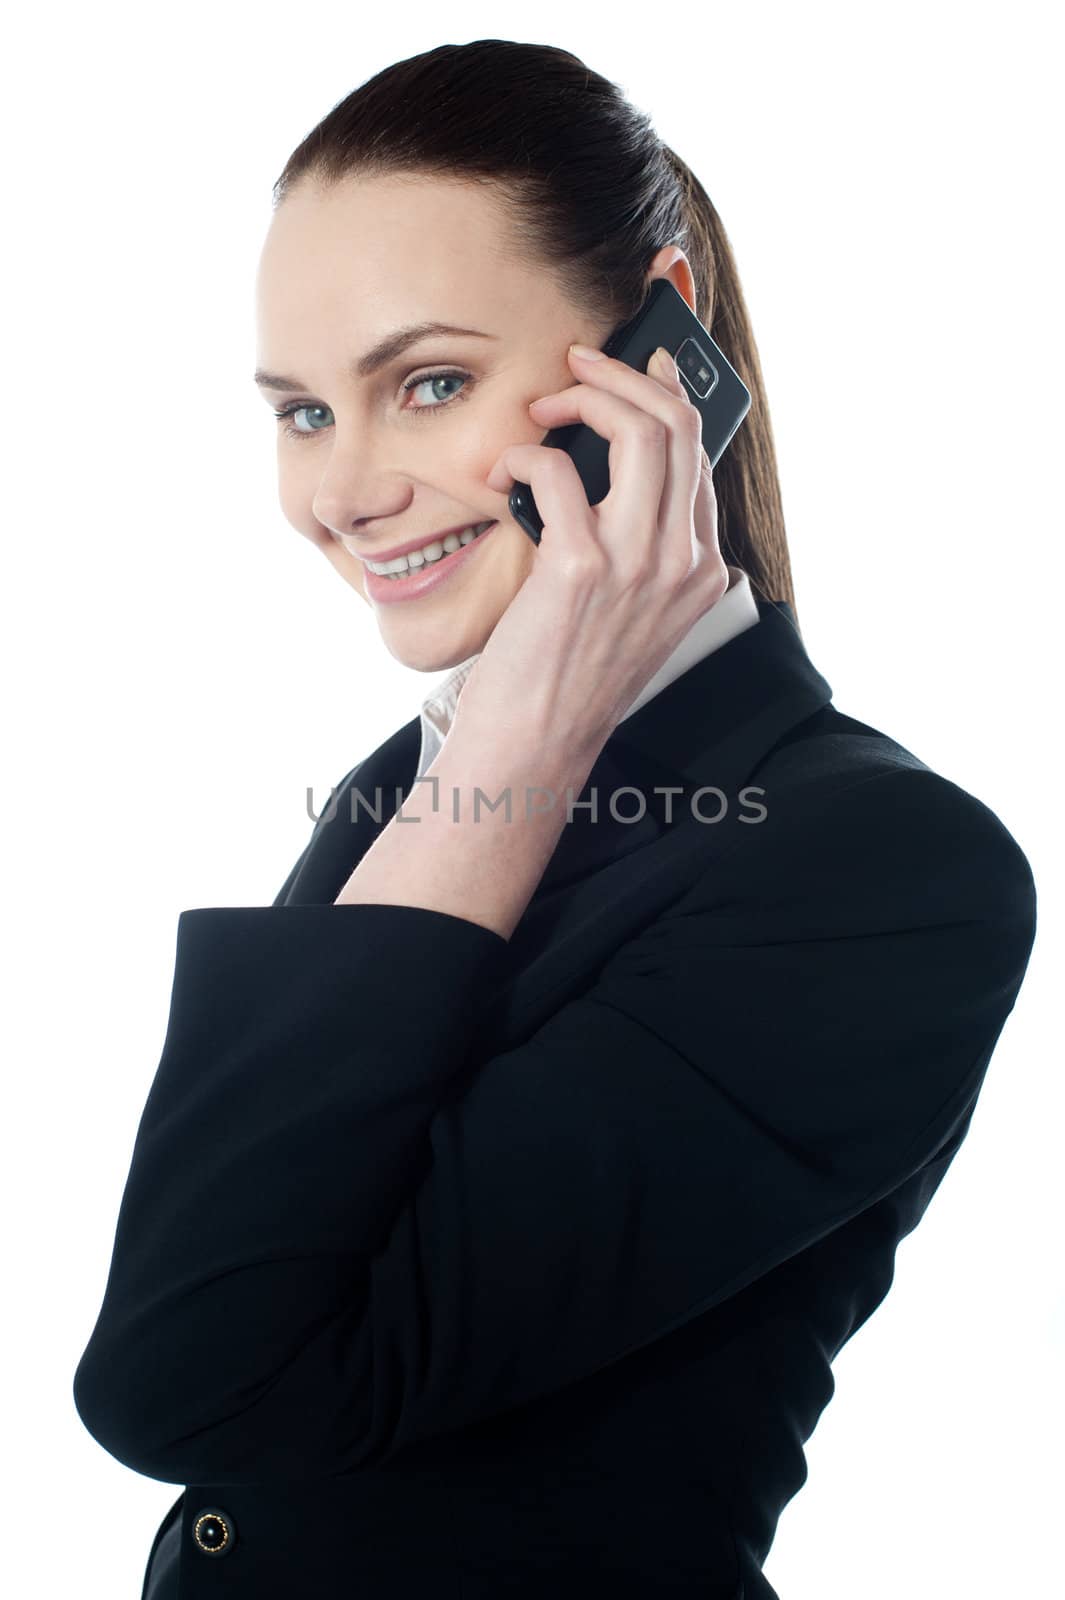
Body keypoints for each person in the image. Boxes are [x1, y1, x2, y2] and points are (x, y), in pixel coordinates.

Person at [72, 39, 1037, 1600]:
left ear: (659, 347)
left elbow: (202, 1380)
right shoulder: (424, 784)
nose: (345, 490)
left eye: (427, 383)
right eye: (302, 414)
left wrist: (516, 740)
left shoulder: (887, 871)